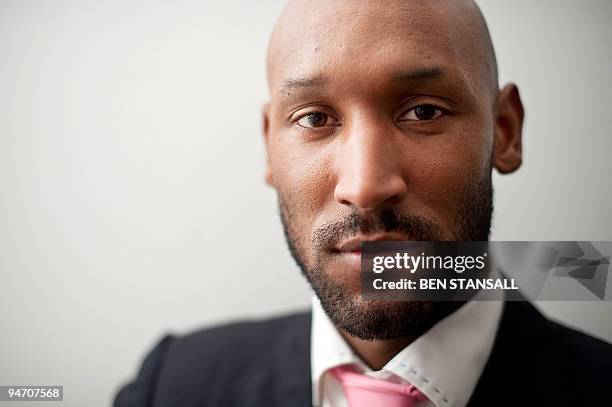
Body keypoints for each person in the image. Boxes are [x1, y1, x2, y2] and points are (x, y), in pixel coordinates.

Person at [114, 0, 612, 406]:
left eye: (423, 111)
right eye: (314, 119)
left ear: (504, 132)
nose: (366, 185)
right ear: (270, 146)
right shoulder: (171, 386)